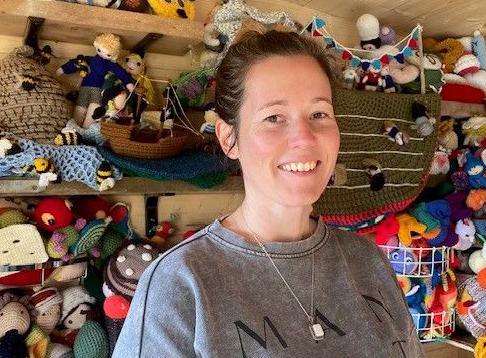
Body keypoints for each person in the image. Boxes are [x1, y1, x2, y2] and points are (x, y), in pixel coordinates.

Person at [113, 30, 424, 357]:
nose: (304, 138)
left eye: (319, 114)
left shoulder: (368, 260)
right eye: (274, 117)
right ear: (229, 138)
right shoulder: (179, 283)